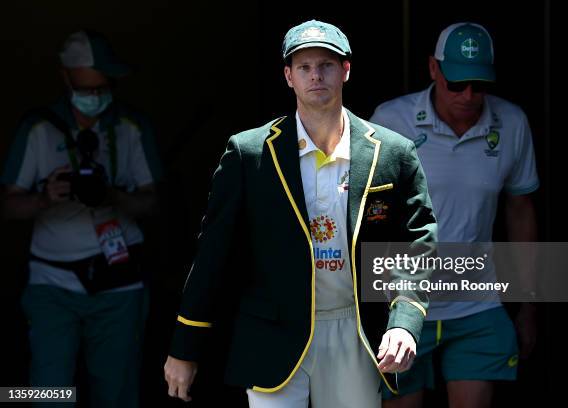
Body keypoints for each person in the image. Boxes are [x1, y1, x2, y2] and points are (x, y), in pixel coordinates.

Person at [164, 19, 437, 407]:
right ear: (288, 76)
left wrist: (405, 324)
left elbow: (416, 243)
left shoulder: (393, 151)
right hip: (274, 334)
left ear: (346, 70)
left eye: (326, 65)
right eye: (304, 67)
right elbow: (213, 255)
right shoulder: (250, 153)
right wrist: (184, 347)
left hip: (356, 329)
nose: (316, 76)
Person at [371, 22, 538, 408]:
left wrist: (530, 303)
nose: (467, 95)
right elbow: (363, 209)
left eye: (479, 85)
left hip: (477, 303)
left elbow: (521, 211)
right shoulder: (390, 119)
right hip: (403, 302)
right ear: (433, 68)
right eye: (457, 83)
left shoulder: (510, 123)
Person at [1, 30, 162, 407]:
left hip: (120, 282)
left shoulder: (130, 126)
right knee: (47, 393)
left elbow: (156, 204)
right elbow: (6, 207)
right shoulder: (37, 128)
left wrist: (114, 197)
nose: (96, 97)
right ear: (65, 78)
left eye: (104, 88)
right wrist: (44, 198)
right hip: (52, 281)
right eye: (87, 88)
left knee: (117, 392)